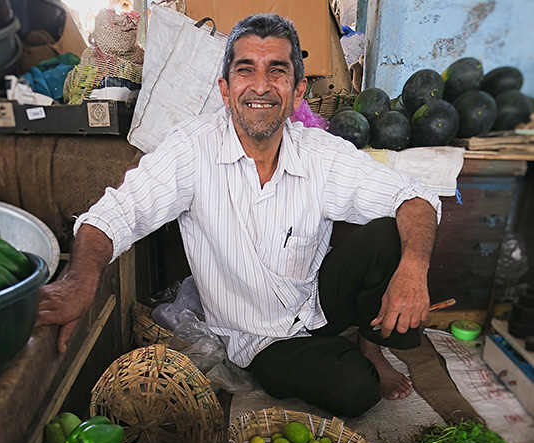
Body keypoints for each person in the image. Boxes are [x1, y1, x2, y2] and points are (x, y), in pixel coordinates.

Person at [36, 13, 441, 417]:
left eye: (277, 71)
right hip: (260, 338)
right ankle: (347, 355)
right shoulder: (192, 150)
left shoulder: (320, 153)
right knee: (355, 392)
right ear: (226, 90)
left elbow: (415, 197)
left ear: (298, 91)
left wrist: (414, 269)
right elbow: (116, 214)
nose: (261, 86)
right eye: (245, 70)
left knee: (395, 234)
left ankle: (371, 347)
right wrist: (80, 280)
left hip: (316, 299)